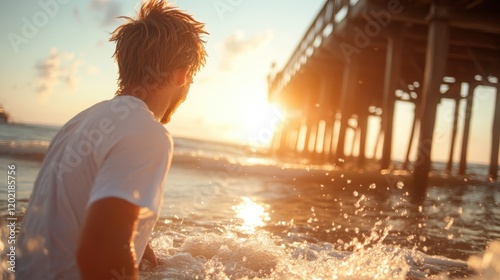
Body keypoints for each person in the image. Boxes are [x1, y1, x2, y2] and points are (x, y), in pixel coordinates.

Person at [16, 0, 207, 279]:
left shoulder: (79, 123)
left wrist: (134, 240)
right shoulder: (147, 132)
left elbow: (70, 217)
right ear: (183, 74)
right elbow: (100, 252)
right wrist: (116, 249)